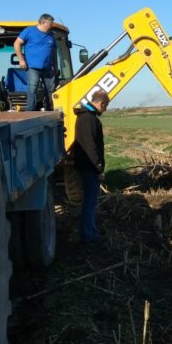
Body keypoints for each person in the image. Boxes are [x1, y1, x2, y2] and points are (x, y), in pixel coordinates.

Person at [71, 90, 110, 241]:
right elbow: (90, 147)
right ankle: (88, 235)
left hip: (86, 166)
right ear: (101, 103)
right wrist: (98, 168)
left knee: (90, 201)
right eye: (105, 106)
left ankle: (90, 231)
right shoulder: (89, 119)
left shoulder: (85, 117)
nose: (105, 110)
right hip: (89, 168)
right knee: (90, 201)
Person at [13, 13, 56, 111]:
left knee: (51, 90)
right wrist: (21, 59)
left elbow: (53, 51)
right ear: (43, 22)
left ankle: (51, 110)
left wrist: (55, 66)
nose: (52, 25)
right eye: (51, 23)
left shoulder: (51, 36)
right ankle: (30, 111)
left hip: (48, 68)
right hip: (33, 67)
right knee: (33, 89)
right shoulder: (29, 31)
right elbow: (17, 43)